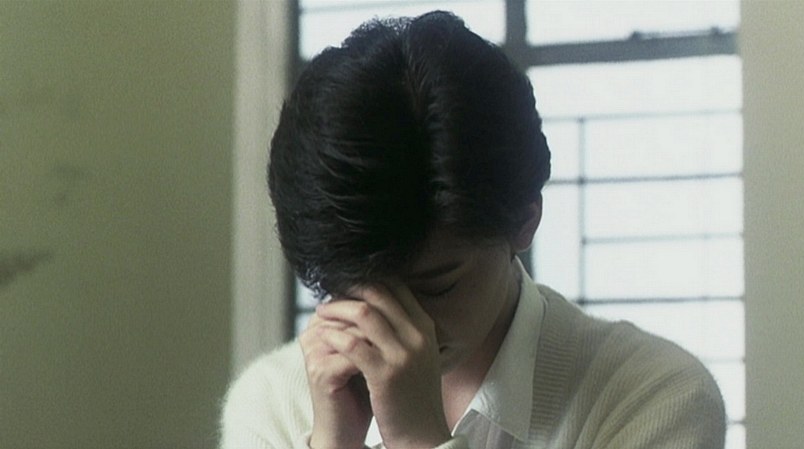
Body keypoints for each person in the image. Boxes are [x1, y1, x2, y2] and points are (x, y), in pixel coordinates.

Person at [220, 11, 726, 449]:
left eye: (436, 286)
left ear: (525, 221)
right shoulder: (274, 402)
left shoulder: (652, 394)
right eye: (358, 292)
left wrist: (419, 438)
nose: (404, 328)